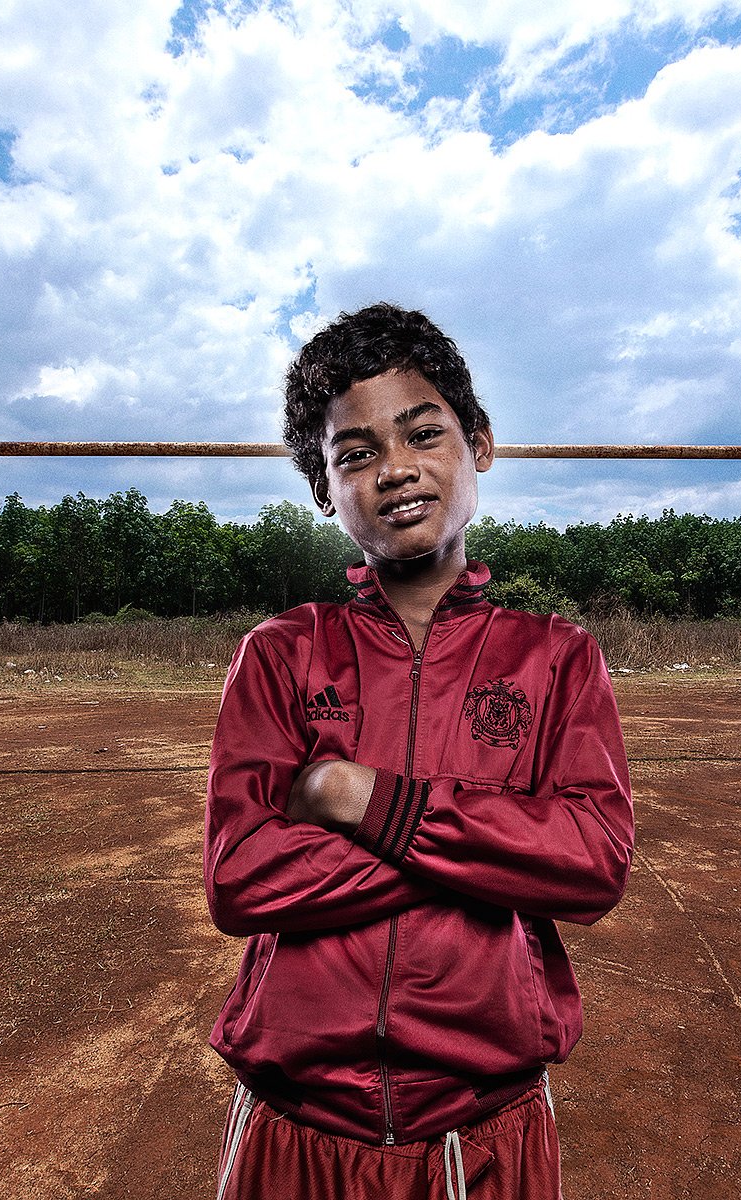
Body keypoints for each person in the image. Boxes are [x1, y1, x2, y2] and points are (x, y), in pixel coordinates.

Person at [204, 303, 634, 1199]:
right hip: (299, 1125)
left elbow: (591, 866)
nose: (394, 469)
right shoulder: (280, 653)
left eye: (422, 433)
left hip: (482, 1126)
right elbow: (242, 879)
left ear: (478, 444)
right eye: (354, 454)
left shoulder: (555, 656)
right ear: (323, 489)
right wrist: (504, 847)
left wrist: (357, 798)